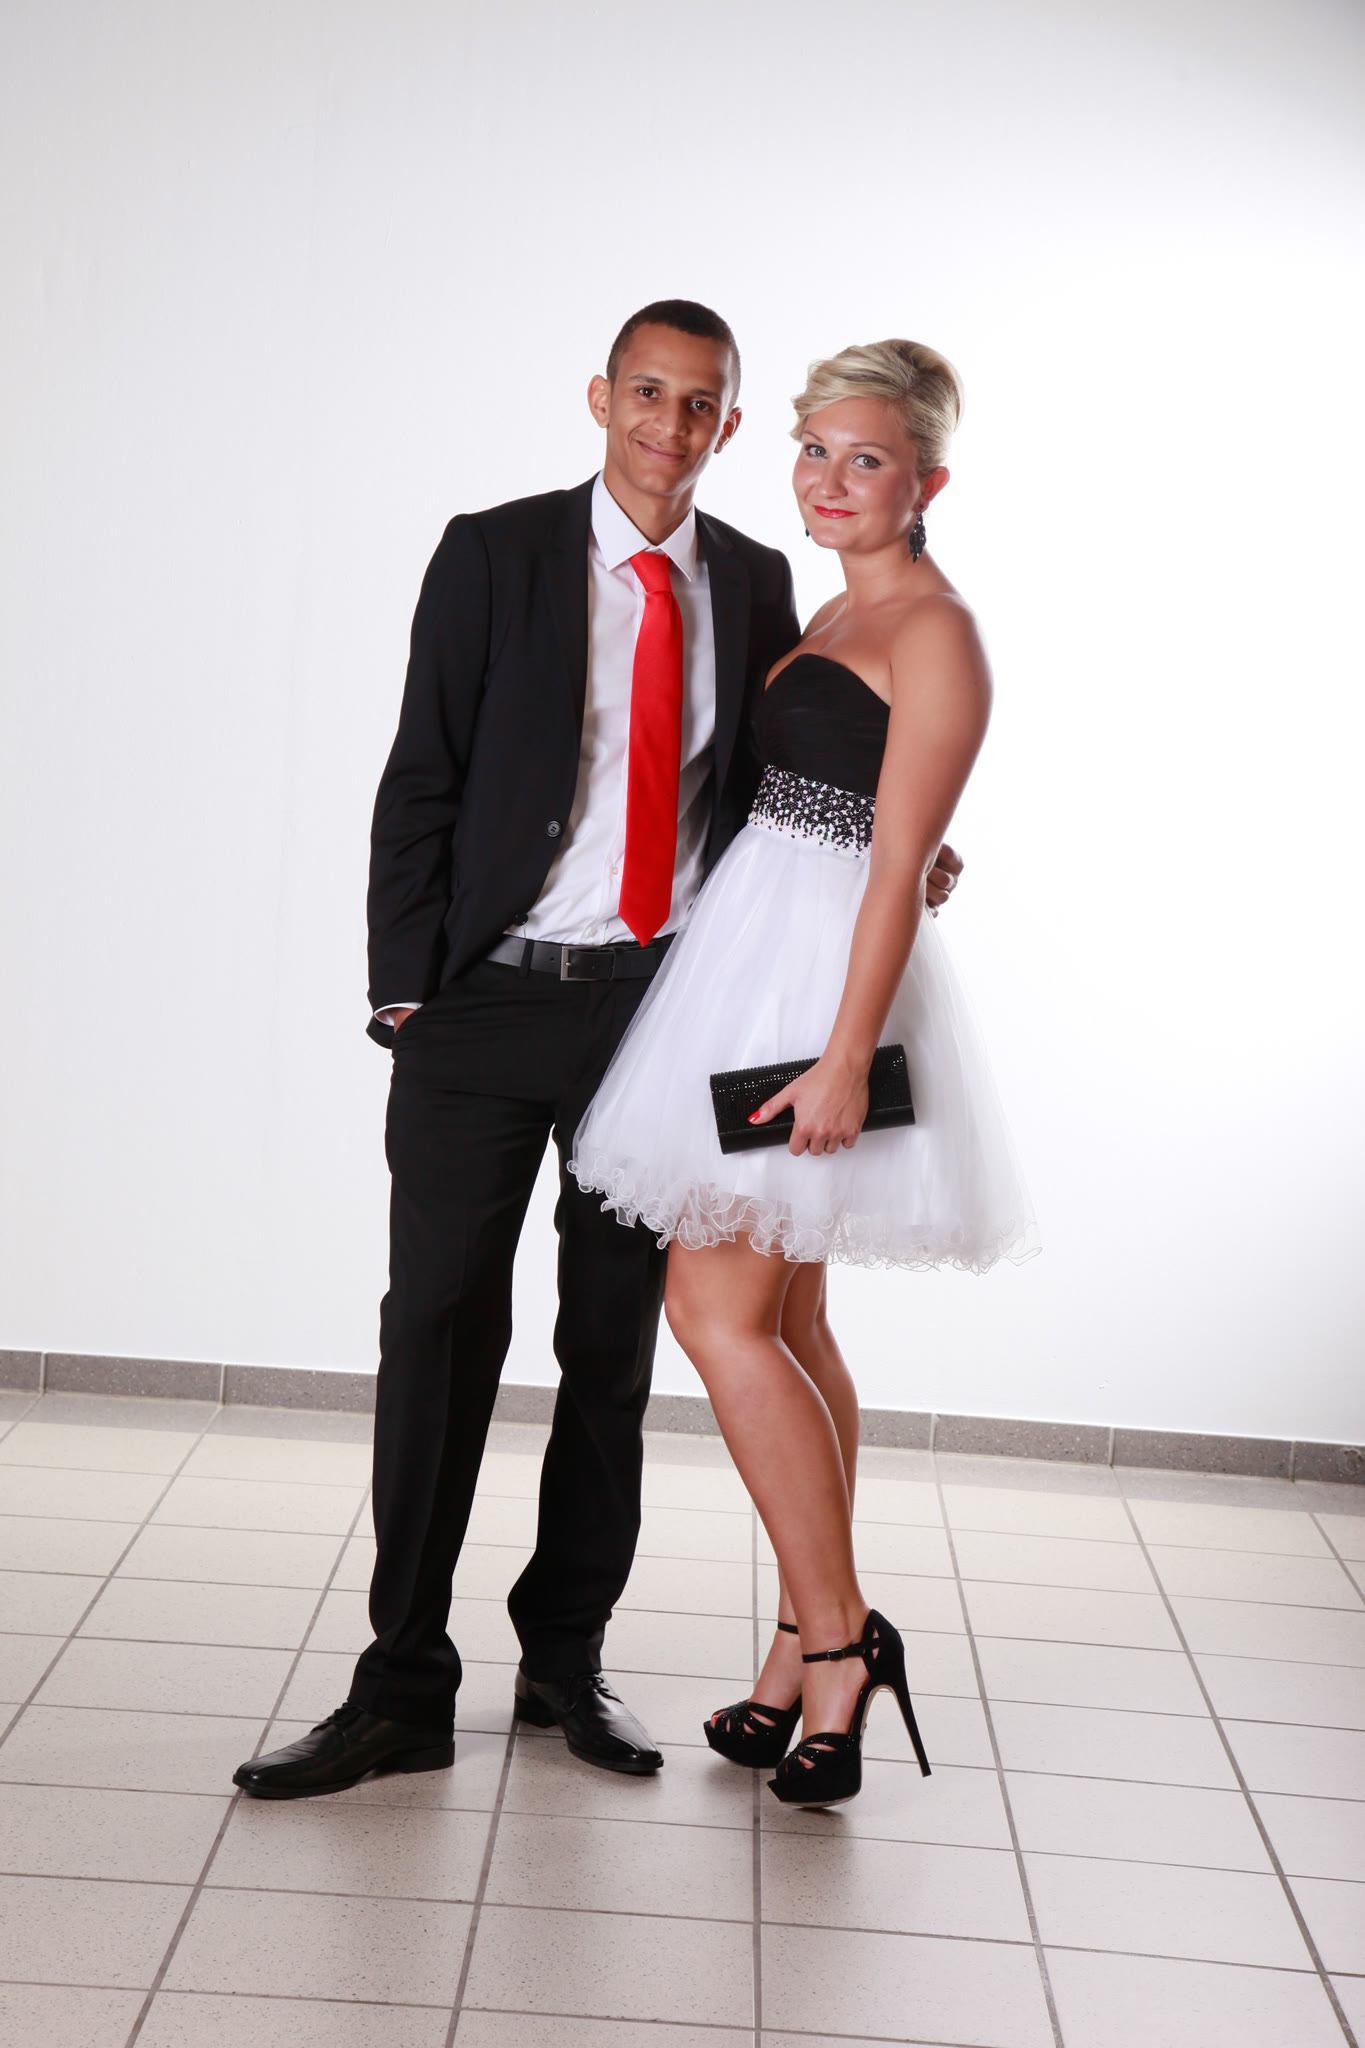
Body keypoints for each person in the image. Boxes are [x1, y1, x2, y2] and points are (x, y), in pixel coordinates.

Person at [232, 304, 966, 1801]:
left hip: (664, 1008)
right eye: (646, 392)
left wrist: (904, 852)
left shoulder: (758, 581)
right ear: (602, 398)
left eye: (701, 404)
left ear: (726, 427)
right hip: (487, 1000)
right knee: (437, 1327)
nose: (667, 424)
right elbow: (419, 773)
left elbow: (798, 780)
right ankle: (401, 1679)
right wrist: (404, 991)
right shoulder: (493, 554)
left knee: (619, 1344)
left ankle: (565, 1661)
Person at [571, 339, 1037, 1808]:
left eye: (866, 458)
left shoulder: (935, 629)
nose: (829, 480)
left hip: (814, 1003)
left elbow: (897, 864)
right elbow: (844, 805)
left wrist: (845, 1058)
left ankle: (841, 1639)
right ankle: (796, 1641)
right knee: (787, 1317)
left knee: (709, 1310)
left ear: (929, 481)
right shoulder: (835, 604)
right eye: (814, 450)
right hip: (749, 968)